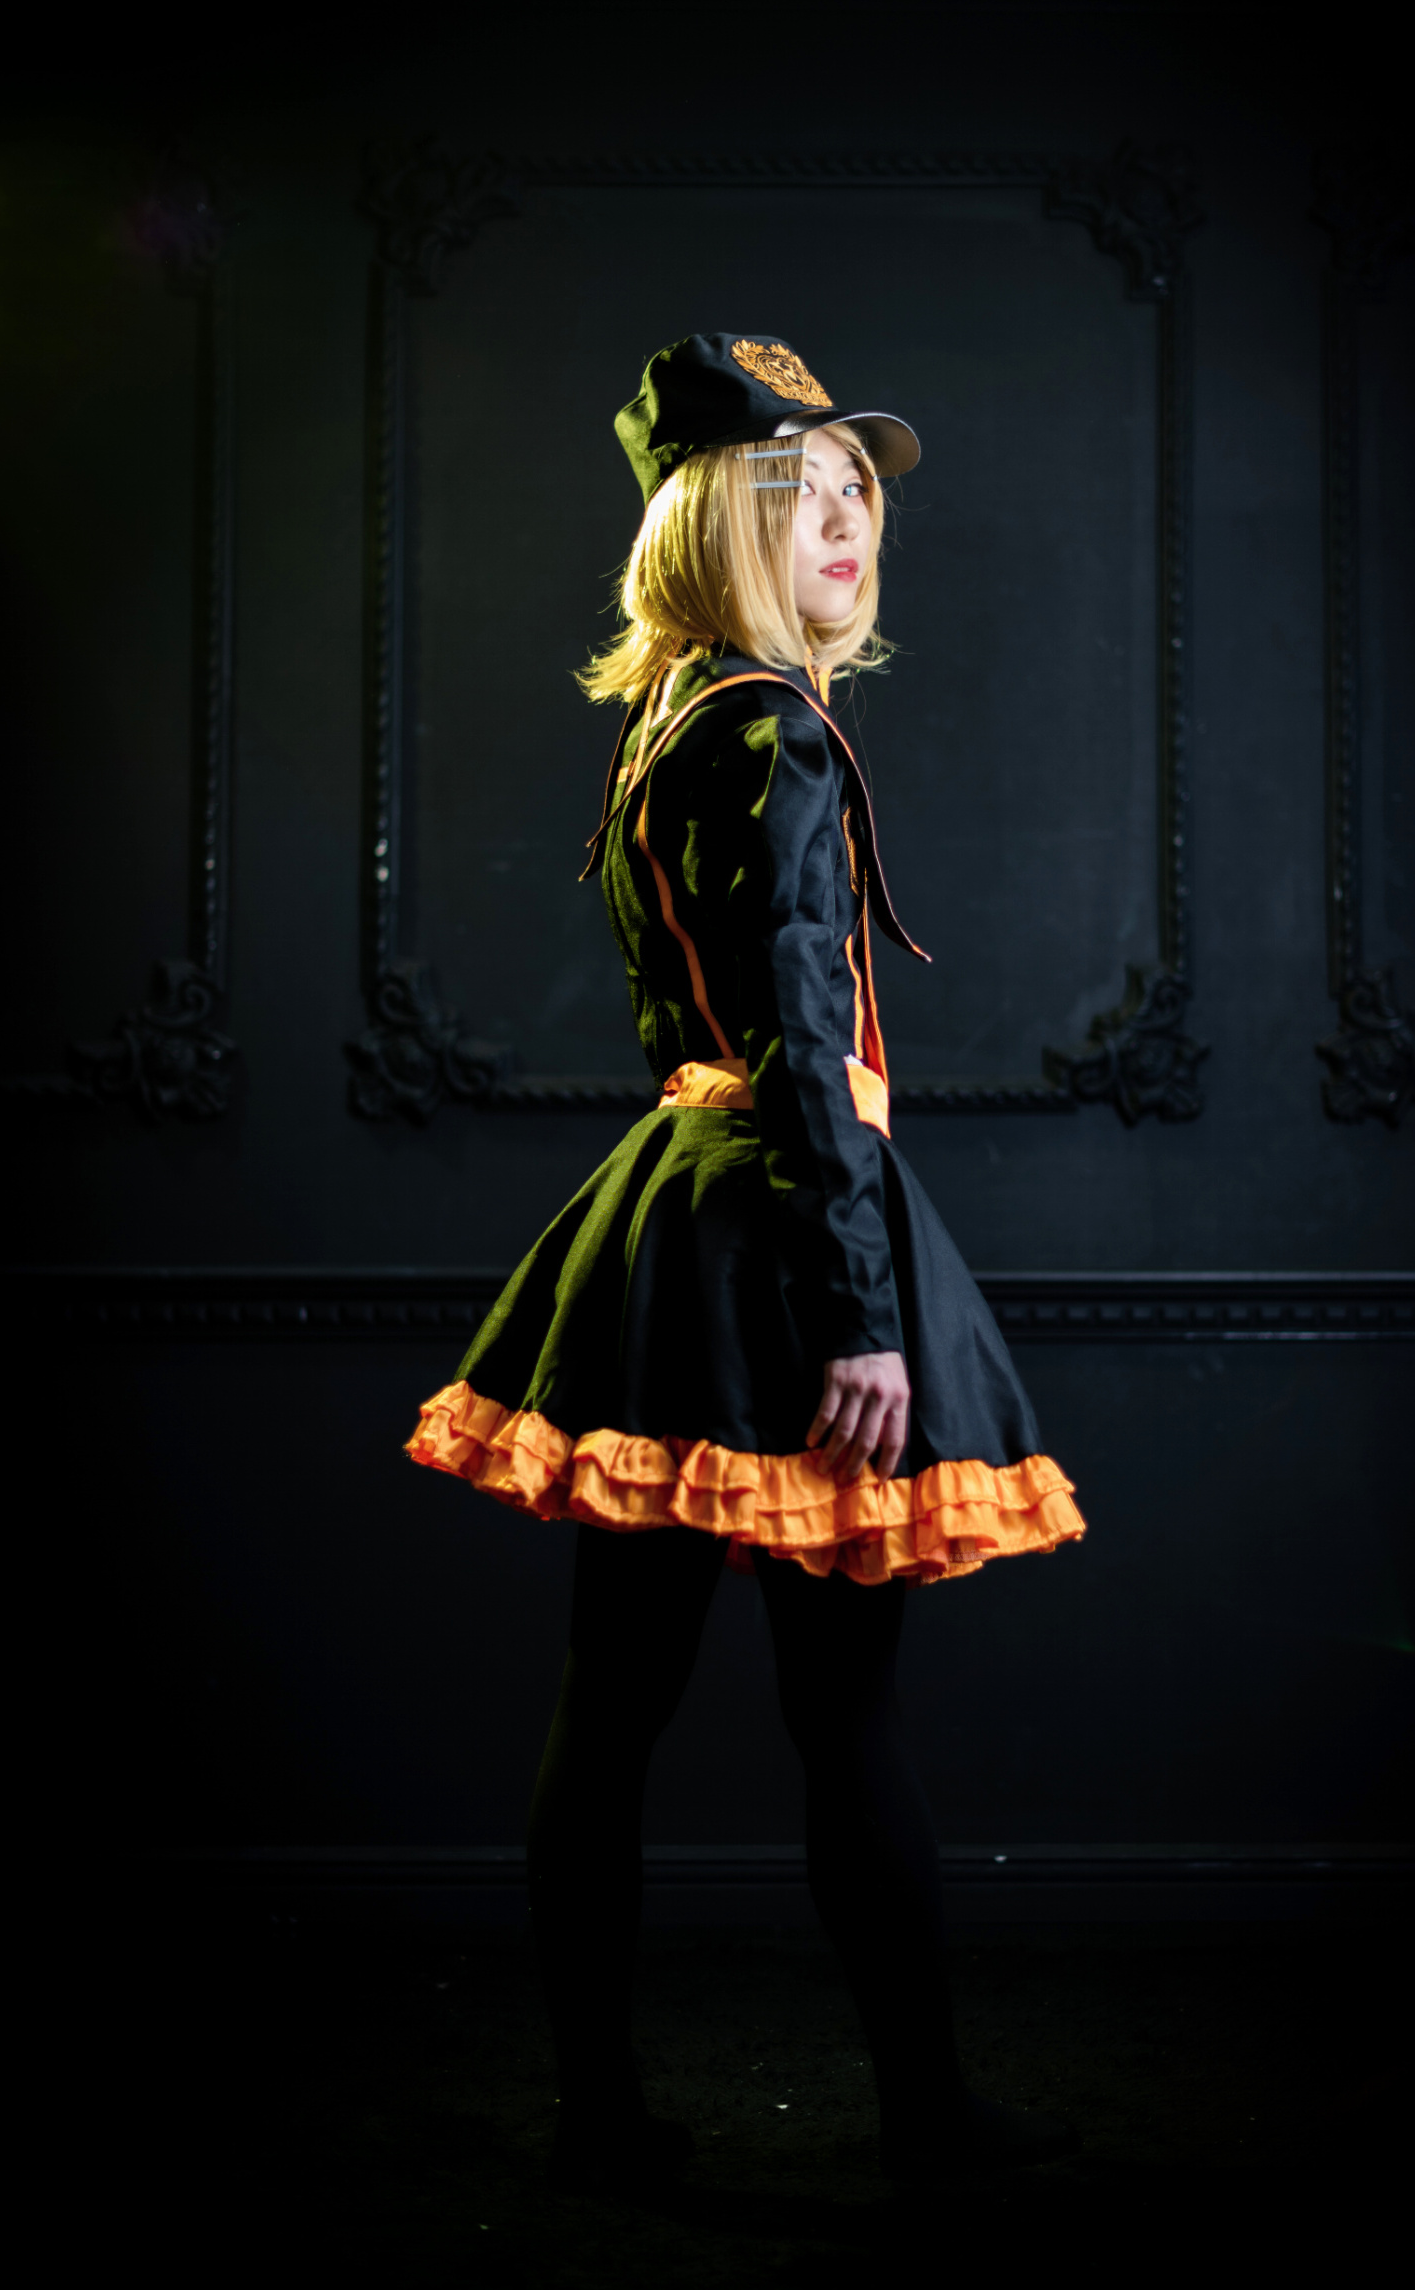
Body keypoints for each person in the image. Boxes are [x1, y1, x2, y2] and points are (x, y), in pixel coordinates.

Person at [407, 332, 1086, 2188]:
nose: (848, 521)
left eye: (859, 490)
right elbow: (798, 1033)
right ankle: (928, 2127)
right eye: (802, 491)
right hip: (786, 1229)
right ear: (716, 523)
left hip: (681, 1220)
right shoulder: (773, 730)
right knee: (840, 1711)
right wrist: (861, 1318)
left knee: (613, 1701)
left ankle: (601, 2121)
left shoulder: (678, 721)